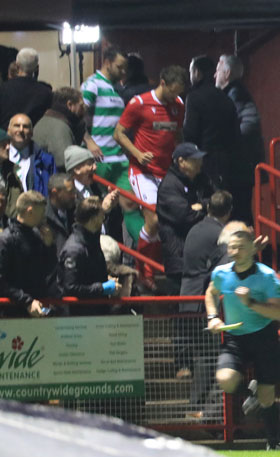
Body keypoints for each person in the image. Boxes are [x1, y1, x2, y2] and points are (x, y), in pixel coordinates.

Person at [205, 229, 280, 450]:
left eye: (241, 247)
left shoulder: (267, 275)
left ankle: (273, 442)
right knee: (225, 379)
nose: (235, 252)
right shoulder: (221, 273)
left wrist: (250, 303)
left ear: (253, 249)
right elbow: (211, 293)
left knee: (267, 397)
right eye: (232, 247)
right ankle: (250, 391)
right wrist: (213, 317)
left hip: (264, 336)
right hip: (234, 338)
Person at [115, 64, 186, 287]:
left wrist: (181, 156)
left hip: (167, 171)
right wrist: (137, 153)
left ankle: (153, 267)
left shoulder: (178, 105)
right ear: (162, 83)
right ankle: (144, 270)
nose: (176, 96)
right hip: (143, 171)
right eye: (173, 91)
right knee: (154, 219)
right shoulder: (139, 103)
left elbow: (178, 134)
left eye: (179, 92)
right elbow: (118, 133)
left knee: (167, 221)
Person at [82, 46, 135, 242]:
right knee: (104, 208)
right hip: (100, 157)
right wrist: (89, 141)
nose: (123, 72)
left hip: (118, 157)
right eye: (119, 67)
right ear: (107, 63)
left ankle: (138, 254)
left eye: (125, 69)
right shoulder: (92, 85)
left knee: (130, 204)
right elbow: (79, 115)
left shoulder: (116, 89)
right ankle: (103, 249)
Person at [156, 142, 213, 293]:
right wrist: (204, 209)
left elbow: (216, 200)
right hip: (180, 262)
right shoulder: (169, 186)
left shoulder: (202, 179)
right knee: (181, 311)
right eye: (195, 159)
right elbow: (185, 217)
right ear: (181, 161)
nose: (200, 163)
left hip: (201, 259)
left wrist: (201, 205)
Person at [0, 190, 57, 317]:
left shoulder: (39, 236)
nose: (44, 215)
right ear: (30, 210)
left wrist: (49, 246)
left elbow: (48, 272)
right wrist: (26, 300)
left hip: (36, 309)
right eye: (42, 211)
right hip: (9, 313)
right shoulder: (4, 240)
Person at [215, 54, 264, 224]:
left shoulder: (233, 96)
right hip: (242, 168)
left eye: (217, 70)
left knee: (236, 213)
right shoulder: (237, 93)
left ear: (226, 73)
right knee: (239, 212)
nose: (215, 75)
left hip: (236, 168)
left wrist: (223, 145)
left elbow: (247, 126)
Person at [59, 196, 119, 316]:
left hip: (96, 313)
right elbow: (70, 287)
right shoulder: (74, 250)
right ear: (93, 219)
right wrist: (101, 288)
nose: (103, 218)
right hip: (79, 319)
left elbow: (88, 275)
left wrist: (105, 280)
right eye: (101, 215)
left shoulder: (92, 240)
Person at [184, 56, 237, 190]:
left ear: (197, 72)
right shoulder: (226, 98)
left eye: (191, 72)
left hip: (202, 160)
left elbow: (190, 132)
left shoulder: (193, 97)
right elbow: (236, 132)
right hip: (226, 162)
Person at [3, 113, 55, 218]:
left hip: (35, 217)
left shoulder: (45, 160)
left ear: (31, 133)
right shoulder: (1, 158)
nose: (21, 130)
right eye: (17, 126)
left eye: (25, 127)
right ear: (8, 131)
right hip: (5, 218)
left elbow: (52, 192)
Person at [0, 48, 52, 127]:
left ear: (17, 65)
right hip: (33, 136)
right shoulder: (46, 92)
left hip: (6, 137)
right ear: (37, 68)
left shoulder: (0, 90)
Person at [33, 87, 86, 171]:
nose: (84, 110)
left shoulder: (49, 121)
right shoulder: (59, 127)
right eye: (81, 106)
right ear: (70, 105)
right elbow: (64, 162)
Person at [44, 173, 77, 254]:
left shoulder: (76, 209)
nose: (74, 196)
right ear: (55, 193)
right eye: (70, 192)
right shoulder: (42, 217)